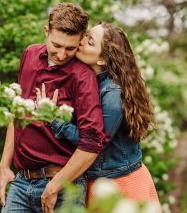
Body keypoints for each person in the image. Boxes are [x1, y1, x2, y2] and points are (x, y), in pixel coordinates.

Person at [0, 3, 110, 213]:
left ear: (81, 40)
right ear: (46, 31)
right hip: (21, 183)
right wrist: (4, 166)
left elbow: (93, 142)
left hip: (63, 188)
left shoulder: (83, 76)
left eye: (70, 48)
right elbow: (17, 112)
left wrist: (55, 185)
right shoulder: (30, 55)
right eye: (56, 45)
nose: (61, 55)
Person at [43, 22, 160, 207]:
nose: (81, 42)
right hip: (100, 181)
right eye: (86, 36)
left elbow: (92, 142)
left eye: (90, 42)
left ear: (102, 60)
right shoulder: (90, 82)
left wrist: (55, 120)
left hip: (121, 183)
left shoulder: (112, 93)